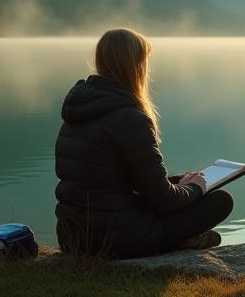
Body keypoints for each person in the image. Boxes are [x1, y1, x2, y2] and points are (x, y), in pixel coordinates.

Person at [54, 28, 233, 257]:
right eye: (144, 62)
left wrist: (179, 182)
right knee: (220, 201)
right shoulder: (129, 119)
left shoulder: (77, 112)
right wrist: (196, 188)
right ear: (135, 66)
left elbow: (109, 184)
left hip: (72, 237)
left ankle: (184, 236)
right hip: (116, 240)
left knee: (184, 195)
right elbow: (161, 200)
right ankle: (182, 241)